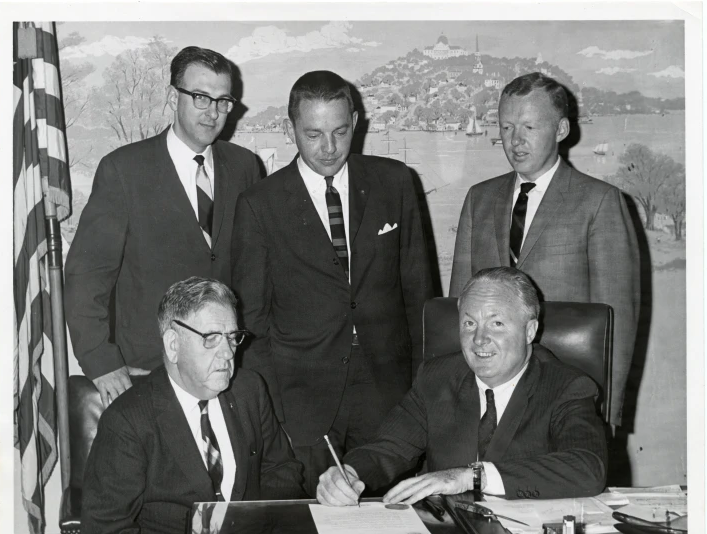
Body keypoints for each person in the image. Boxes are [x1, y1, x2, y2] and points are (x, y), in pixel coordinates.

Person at [230, 70, 432, 495]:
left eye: (340, 131)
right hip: (302, 402)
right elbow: (253, 321)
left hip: (387, 394)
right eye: (313, 134)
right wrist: (272, 413)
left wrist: (421, 389)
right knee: (307, 528)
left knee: (388, 532)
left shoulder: (395, 182)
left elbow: (419, 295)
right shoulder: (258, 204)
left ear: (355, 122)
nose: (328, 148)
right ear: (290, 130)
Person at [64, 46, 262, 408]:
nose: (213, 112)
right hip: (147, 374)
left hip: (227, 372)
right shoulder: (124, 170)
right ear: (175, 96)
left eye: (223, 101)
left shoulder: (245, 166)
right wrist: (102, 363)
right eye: (201, 97)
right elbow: (86, 278)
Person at [317, 267, 608, 506]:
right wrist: (349, 473)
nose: (479, 339)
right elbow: (388, 448)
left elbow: (587, 468)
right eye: (469, 324)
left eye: (496, 324)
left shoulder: (566, 386)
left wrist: (472, 476)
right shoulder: (437, 377)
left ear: (529, 330)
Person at [449, 72, 640, 427]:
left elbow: (618, 323)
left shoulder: (599, 202)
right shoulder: (479, 199)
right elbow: (458, 307)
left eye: (529, 128)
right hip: (488, 397)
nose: (515, 141)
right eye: (506, 128)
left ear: (562, 130)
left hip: (568, 397)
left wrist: (606, 416)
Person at [81, 277, 305, 534]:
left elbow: (281, 469)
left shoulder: (250, 390)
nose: (227, 353)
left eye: (233, 337)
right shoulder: (127, 422)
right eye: (211, 338)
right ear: (173, 345)